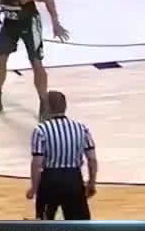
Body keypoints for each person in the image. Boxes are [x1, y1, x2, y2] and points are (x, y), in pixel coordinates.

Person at [28, 90, 97, 220]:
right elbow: (92, 159)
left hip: (50, 179)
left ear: (47, 107)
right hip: (74, 179)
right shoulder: (81, 128)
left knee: (45, 223)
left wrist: (34, 188)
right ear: (65, 106)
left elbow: (37, 163)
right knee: (79, 224)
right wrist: (92, 183)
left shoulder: (40, 130)